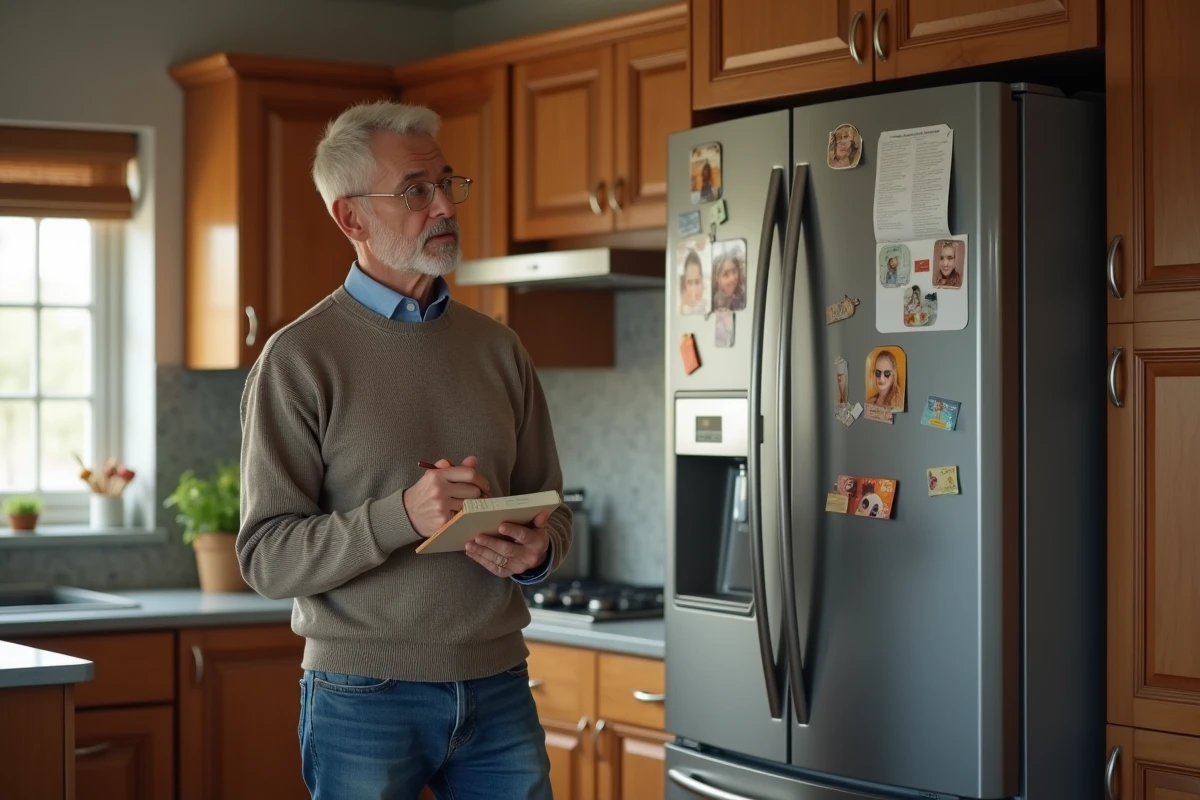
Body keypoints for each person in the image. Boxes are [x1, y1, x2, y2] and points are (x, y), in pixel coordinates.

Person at [237, 100, 571, 800]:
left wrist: (537, 555)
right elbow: (266, 556)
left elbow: (553, 509)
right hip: (362, 691)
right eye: (417, 190)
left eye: (447, 182)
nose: (445, 204)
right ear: (351, 218)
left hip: (499, 681)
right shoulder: (299, 359)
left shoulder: (498, 348)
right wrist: (402, 516)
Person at [711, 247, 746, 311]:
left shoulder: (743, 297)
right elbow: (723, 321)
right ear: (716, 279)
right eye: (726, 274)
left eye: (734, 271)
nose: (732, 278)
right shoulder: (712, 305)